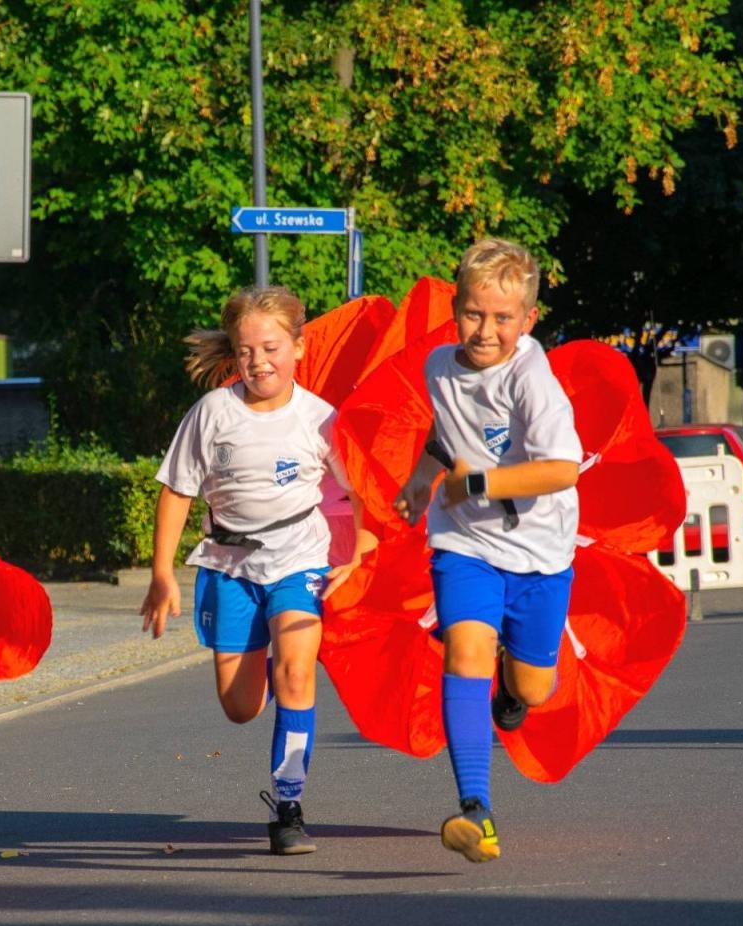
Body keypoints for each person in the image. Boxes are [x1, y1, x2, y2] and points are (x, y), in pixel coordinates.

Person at [140, 285, 376, 855]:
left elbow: (362, 489)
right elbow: (176, 492)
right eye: (246, 351)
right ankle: (269, 659)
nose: (258, 362)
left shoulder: (321, 419)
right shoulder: (212, 413)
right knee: (240, 706)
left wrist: (362, 548)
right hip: (229, 564)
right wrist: (162, 573)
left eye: (271, 348)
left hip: (299, 559)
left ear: (298, 347)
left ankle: (289, 805)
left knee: (297, 673)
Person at [393, 238, 581, 863]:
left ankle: (510, 686)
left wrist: (478, 482)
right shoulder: (438, 366)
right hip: (464, 539)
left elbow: (561, 469)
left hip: (539, 549)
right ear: (455, 308)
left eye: (503, 318)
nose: (486, 330)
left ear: (527, 319)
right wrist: (425, 477)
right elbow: (450, 433)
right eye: (475, 313)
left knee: (533, 689)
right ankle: (476, 809)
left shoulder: (533, 377)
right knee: (465, 647)